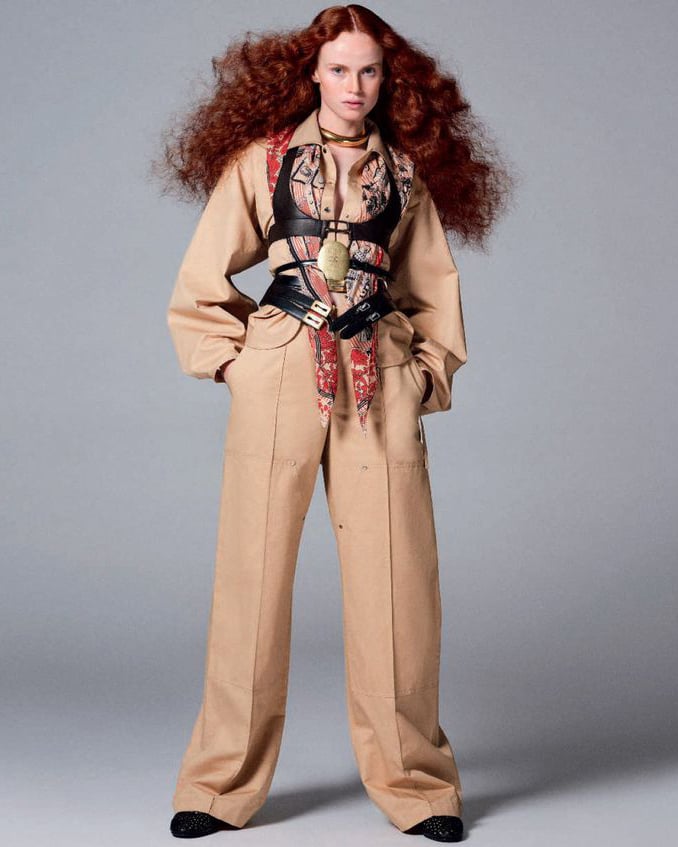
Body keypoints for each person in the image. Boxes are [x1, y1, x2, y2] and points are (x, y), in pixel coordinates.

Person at [154, 4, 513, 842]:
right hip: (280, 373)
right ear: (312, 72)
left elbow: (436, 292)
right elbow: (201, 282)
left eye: (370, 70)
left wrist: (422, 377)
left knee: (398, 585)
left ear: (390, 80)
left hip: (377, 377)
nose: (355, 85)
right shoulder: (263, 161)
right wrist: (237, 365)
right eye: (341, 68)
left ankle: (418, 786)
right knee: (250, 580)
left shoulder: (407, 175)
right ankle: (219, 785)